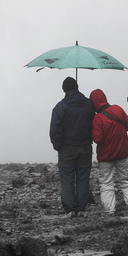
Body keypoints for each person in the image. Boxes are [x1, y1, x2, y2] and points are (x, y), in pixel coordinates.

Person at [49, 77, 95, 216]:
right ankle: (81, 207)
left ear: (64, 89)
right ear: (77, 86)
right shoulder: (89, 104)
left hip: (67, 149)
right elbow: (93, 123)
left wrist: (58, 147)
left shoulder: (60, 107)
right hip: (85, 147)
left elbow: (54, 130)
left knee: (67, 178)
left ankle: (70, 209)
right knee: (83, 177)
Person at [89, 88, 128, 213]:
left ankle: (109, 209)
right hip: (122, 151)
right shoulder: (117, 109)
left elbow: (97, 139)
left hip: (106, 156)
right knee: (125, 179)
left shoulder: (97, 119)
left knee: (106, 183)